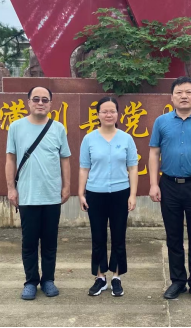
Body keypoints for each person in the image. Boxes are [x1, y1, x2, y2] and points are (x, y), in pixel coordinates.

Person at [149, 77, 191, 303]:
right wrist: (153, 184)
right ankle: (178, 281)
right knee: (173, 236)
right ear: (172, 97)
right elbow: (154, 153)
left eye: (188, 92)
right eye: (179, 92)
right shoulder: (161, 122)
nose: (184, 96)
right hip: (169, 185)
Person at [6, 86, 72, 301]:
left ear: (51, 104)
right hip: (27, 195)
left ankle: (48, 280)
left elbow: (65, 159)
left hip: (51, 195)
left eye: (45, 99)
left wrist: (66, 186)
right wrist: (11, 188)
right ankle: (31, 282)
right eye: (36, 99)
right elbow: (10, 159)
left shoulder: (58, 128)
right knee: (29, 242)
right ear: (28, 102)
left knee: (50, 242)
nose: (40, 103)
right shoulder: (16, 127)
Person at [79, 97, 139, 297]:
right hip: (95, 193)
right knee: (98, 237)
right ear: (98, 115)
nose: (108, 114)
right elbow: (84, 168)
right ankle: (100, 277)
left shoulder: (126, 138)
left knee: (119, 236)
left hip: (120, 193)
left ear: (117, 114)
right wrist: (81, 193)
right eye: (104, 111)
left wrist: (132, 194)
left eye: (112, 111)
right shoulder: (89, 139)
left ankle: (116, 277)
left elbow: (133, 168)